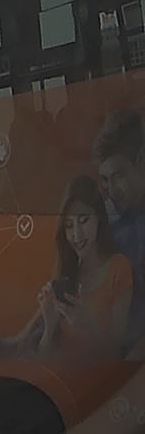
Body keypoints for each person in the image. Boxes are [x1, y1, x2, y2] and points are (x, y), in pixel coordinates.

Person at [0, 176, 133, 363]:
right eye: (69, 226)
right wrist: (49, 327)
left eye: (84, 220)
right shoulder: (68, 273)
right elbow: (47, 357)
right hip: (58, 371)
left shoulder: (119, 268)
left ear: (99, 218)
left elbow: (117, 354)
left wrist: (87, 323)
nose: (76, 235)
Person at [94, 110, 145, 357]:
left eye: (119, 176)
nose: (112, 191)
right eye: (106, 180)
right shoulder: (106, 220)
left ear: (142, 161)